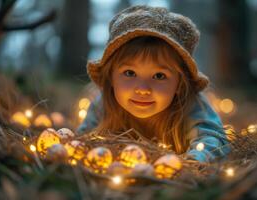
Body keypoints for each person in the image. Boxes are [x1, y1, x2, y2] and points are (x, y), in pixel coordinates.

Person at [78, 5, 230, 162]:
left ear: (179, 83)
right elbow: (82, 141)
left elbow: (214, 141)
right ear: (111, 77)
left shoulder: (192, 106)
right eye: (130, 73)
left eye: (159, 76)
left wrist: (192, 162)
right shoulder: (103, 106)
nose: (143, 89)